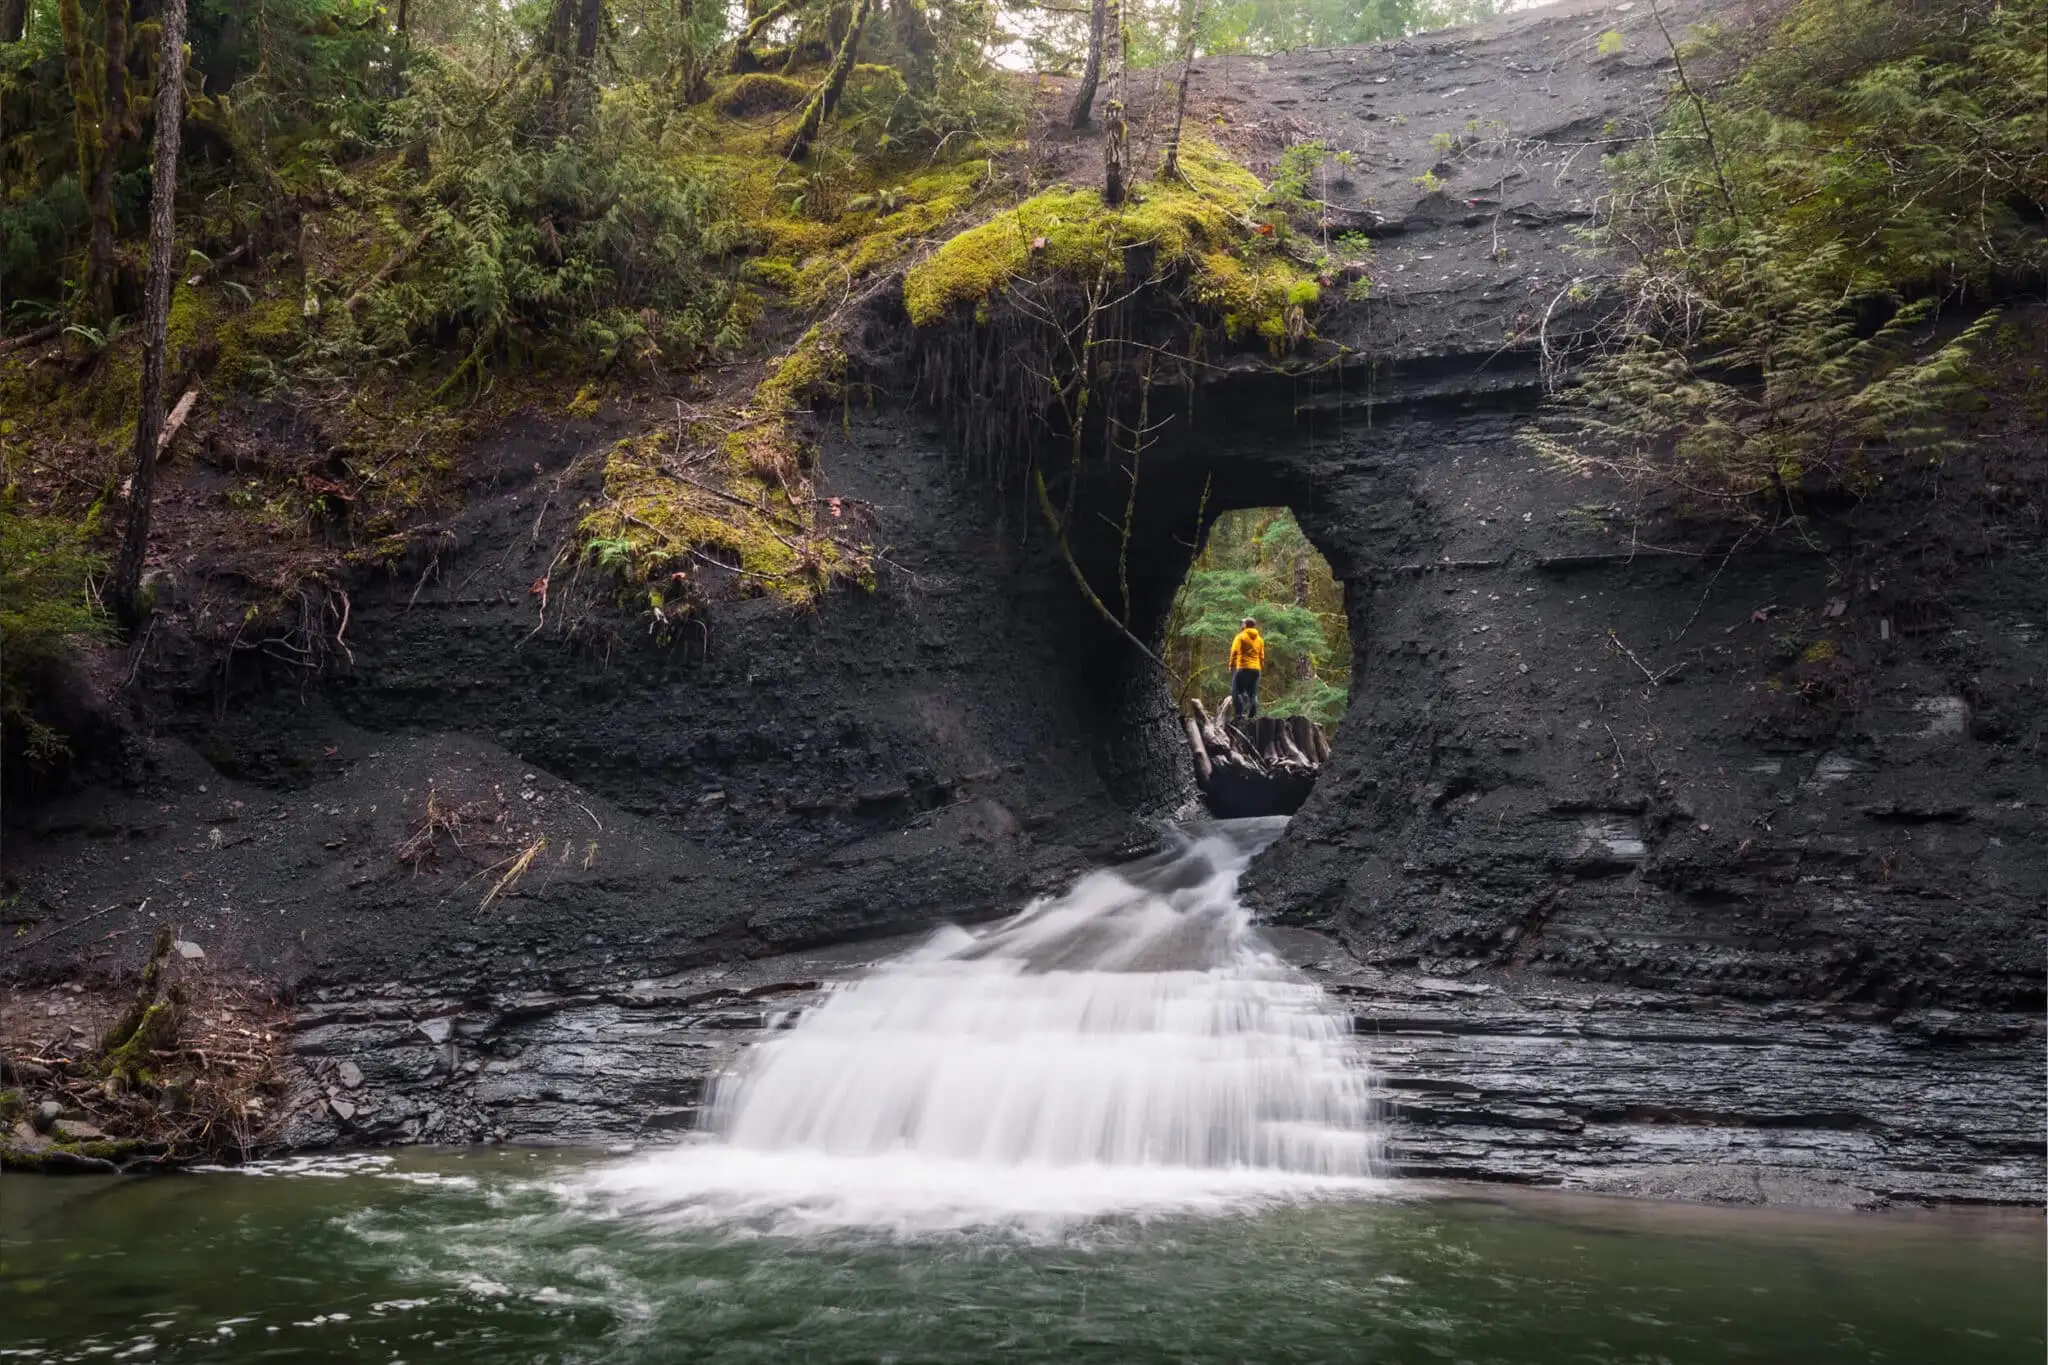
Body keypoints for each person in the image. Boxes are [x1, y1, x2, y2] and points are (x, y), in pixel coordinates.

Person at [1228, 616, 1264, 720]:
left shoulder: (1240, 637)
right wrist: (1260, 667)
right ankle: (1252, 716)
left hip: (1243, 668)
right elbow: (1261, 656)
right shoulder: (1260, 640)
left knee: (1236, 691)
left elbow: (1234, 652)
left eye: (1242, 623)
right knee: (1253, 693)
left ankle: (1239, 715)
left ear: (1245, 625)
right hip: (1256, 669)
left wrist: (1231, 665)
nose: (1241, 625)